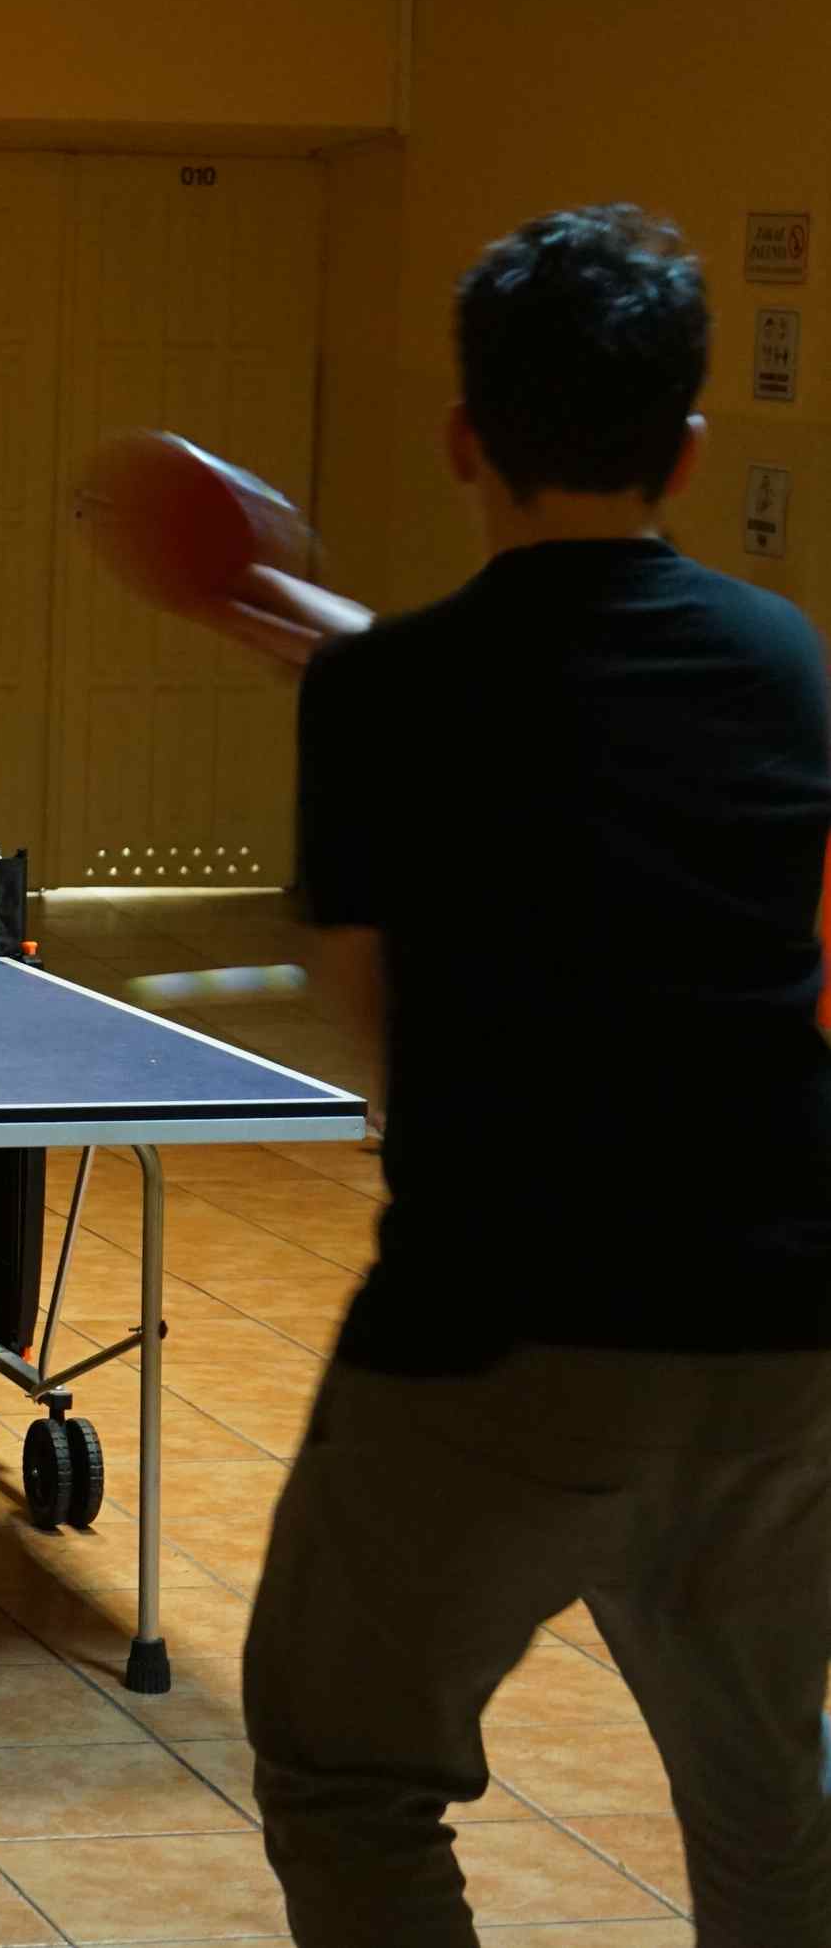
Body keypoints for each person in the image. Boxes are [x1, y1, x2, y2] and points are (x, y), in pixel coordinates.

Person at [216, 206, 831, 1945]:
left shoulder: (386, 693)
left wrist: (357, 689)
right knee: (765, 1786)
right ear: (686, 447)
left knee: (347, 1772)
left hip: (503, 1328)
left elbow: (378, 1022)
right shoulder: (782, 658)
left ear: (457, 434)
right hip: (782, 1326)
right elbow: (599, 713)